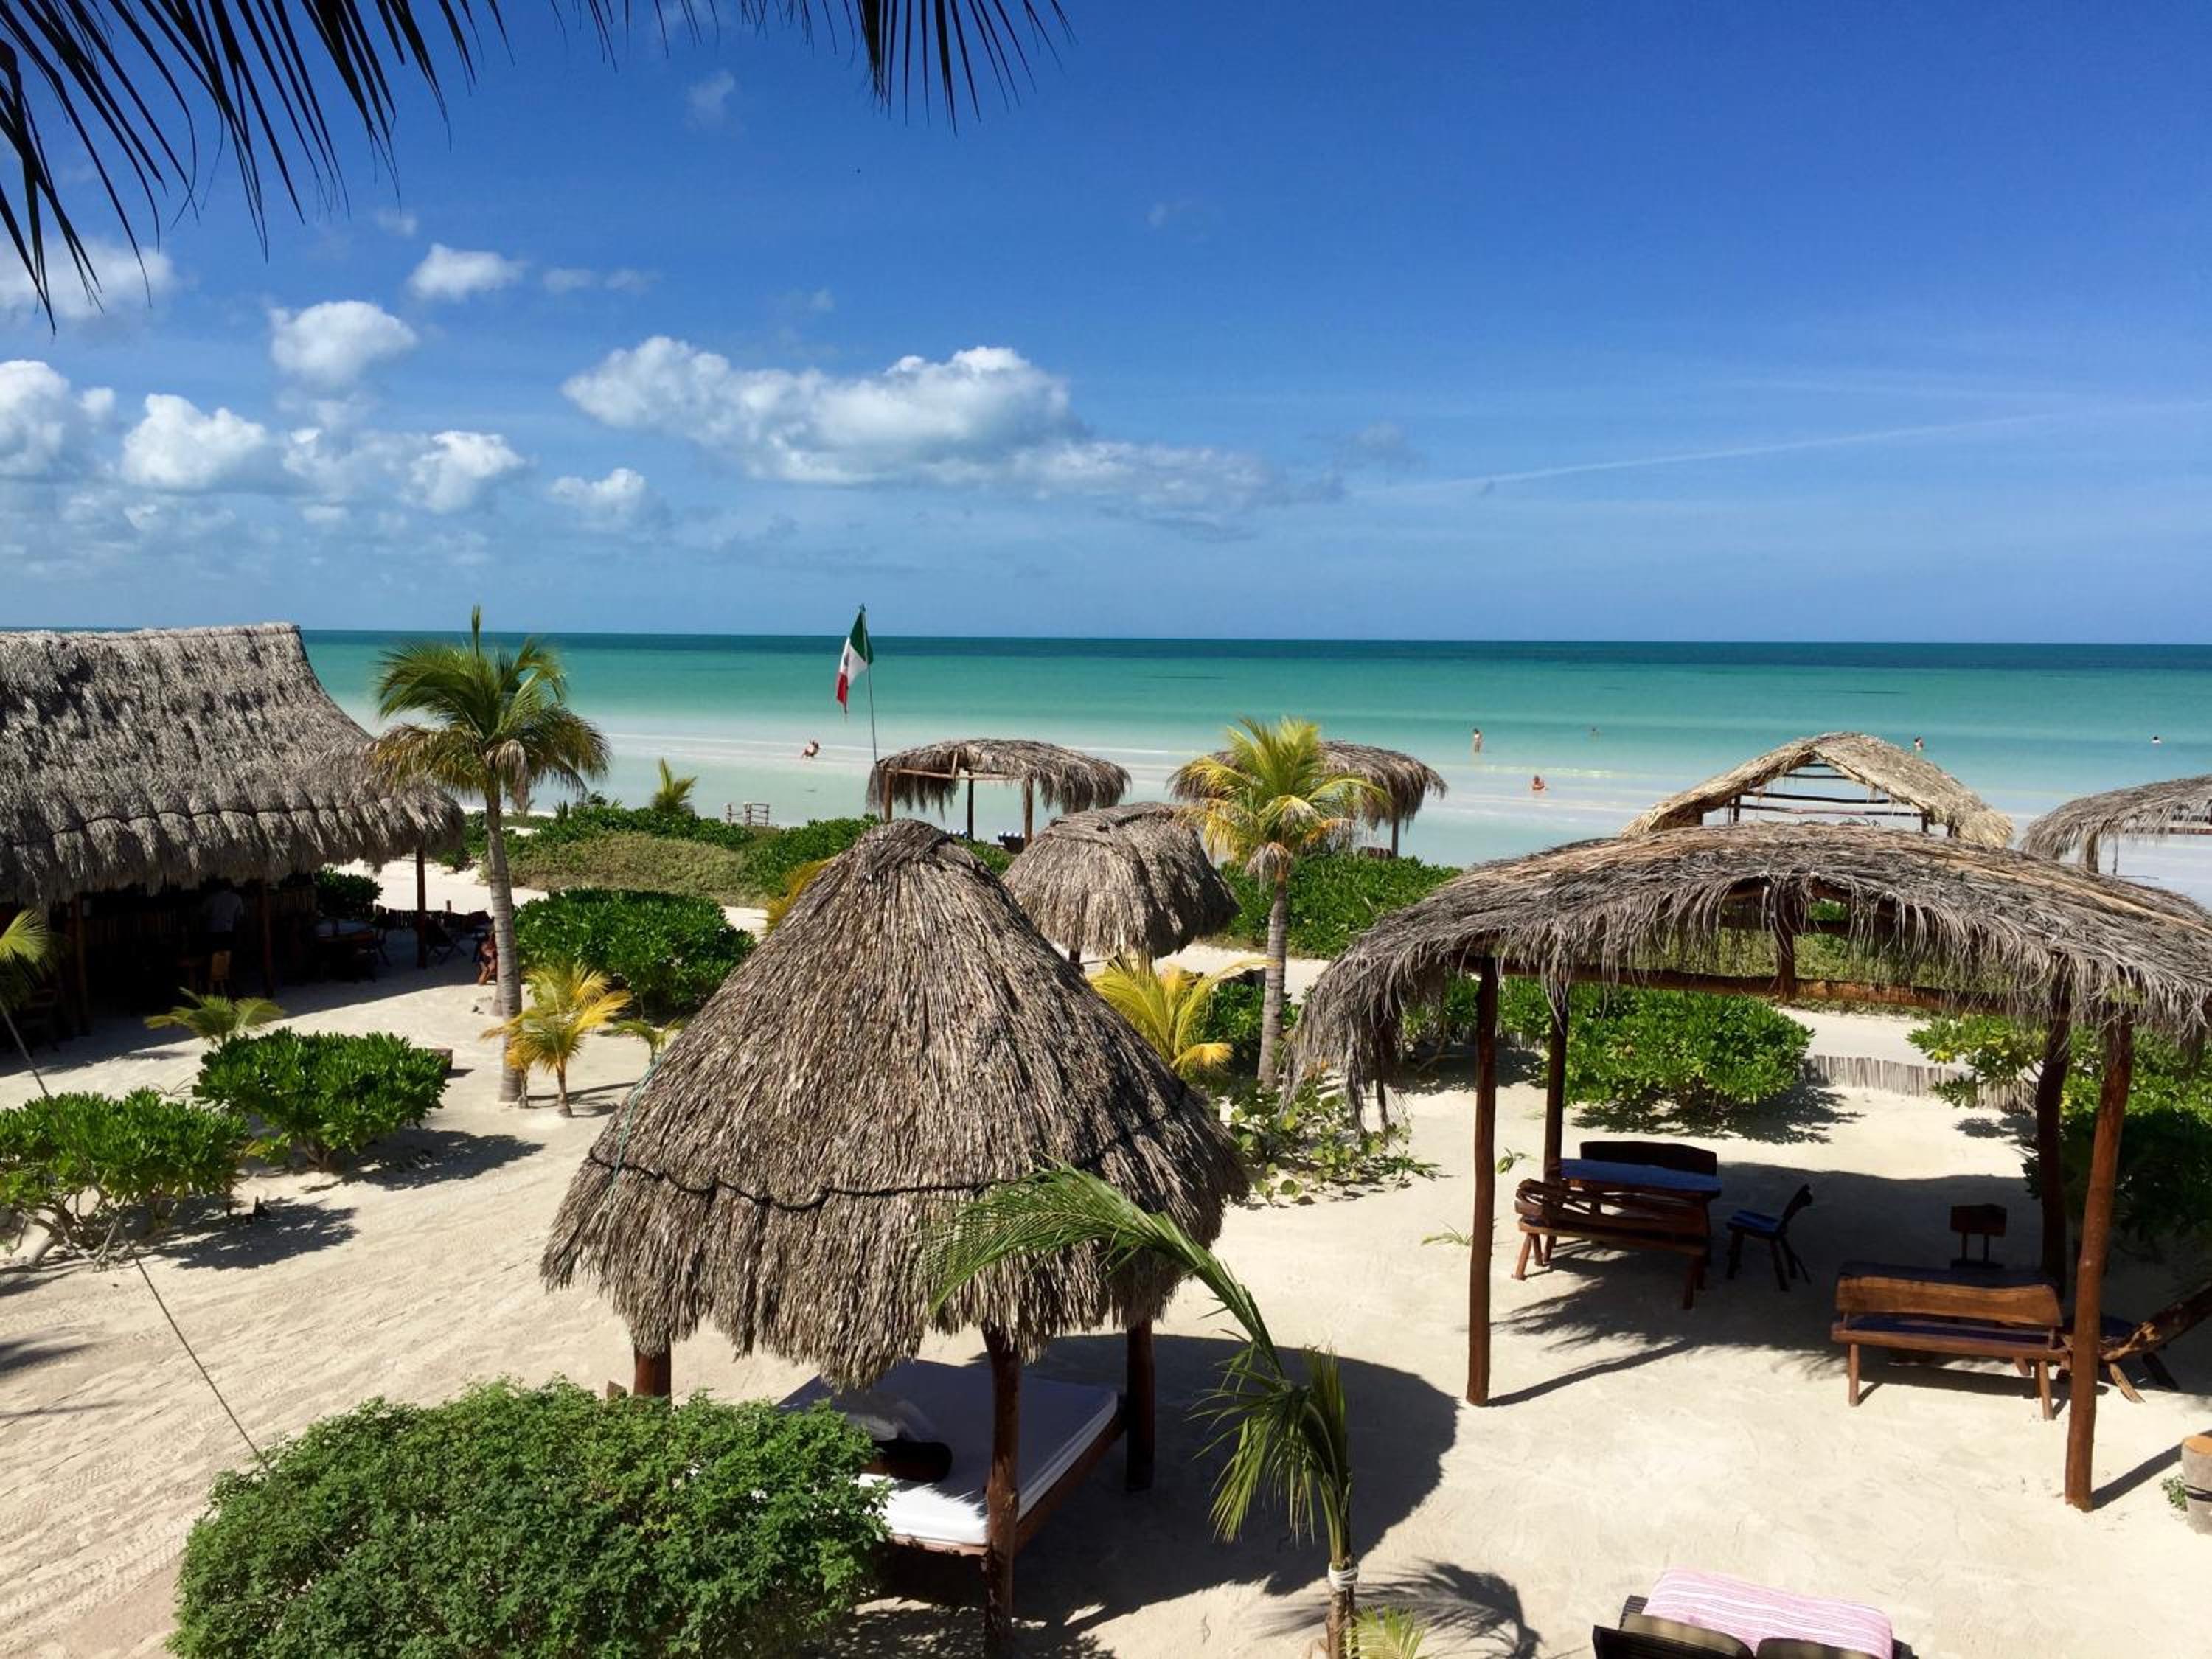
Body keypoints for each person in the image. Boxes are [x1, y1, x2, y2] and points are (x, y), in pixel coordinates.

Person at [203, 880, 245, 947]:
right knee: (226, 950)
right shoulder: (237, 898)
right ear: (230, 887)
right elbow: (239, 917)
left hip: (213, 929)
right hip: (228, 929)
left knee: (215, 950)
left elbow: (203, 914)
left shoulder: (211, 897)